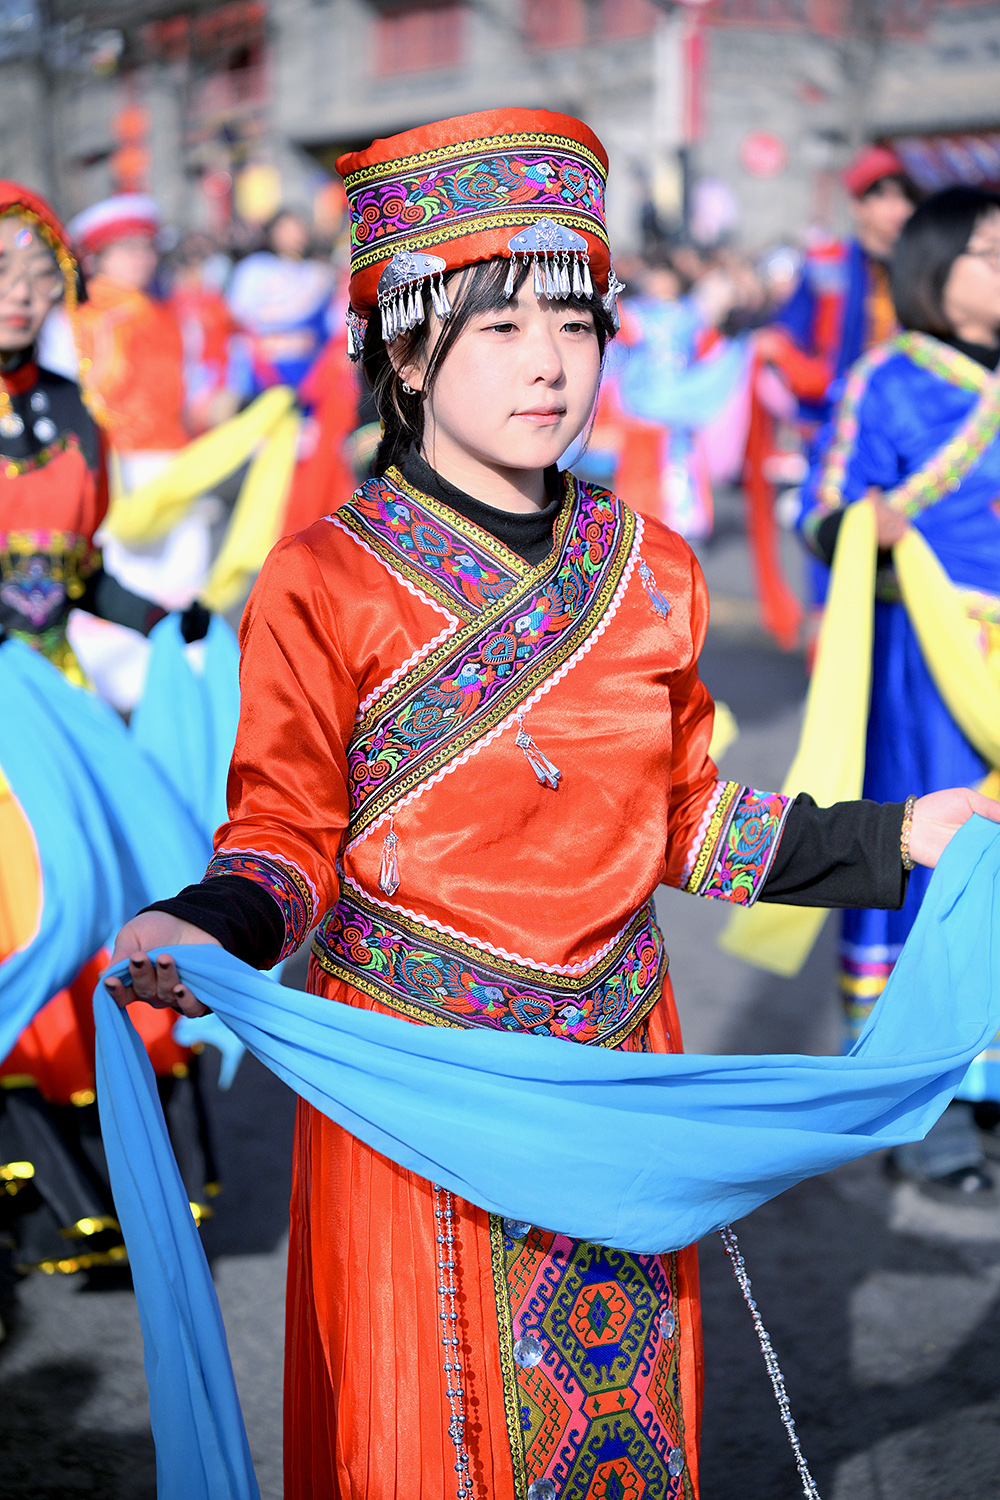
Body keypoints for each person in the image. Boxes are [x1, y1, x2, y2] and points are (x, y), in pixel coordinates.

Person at [105, 111, 995, 1499]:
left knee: (615, 1430)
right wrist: (216, 921)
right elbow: (286, 828)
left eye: (575, 323)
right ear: (407, 354)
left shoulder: (650, 565)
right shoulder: (323, 578)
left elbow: (685, 816)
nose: (550, 362)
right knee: (430, 1434)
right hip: (420, 1080)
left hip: (616, 1059)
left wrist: (892, 838)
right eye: (502, 326)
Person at [0, 181, 212, 1297]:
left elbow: (76, 575)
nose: (20, 292)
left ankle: (106, 1192)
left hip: (64, 701)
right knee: (31, 914)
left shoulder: (73, 414)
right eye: (0, 271)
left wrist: (168, 618)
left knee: (124, 891)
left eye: (38, 274)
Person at [798, 185, 1000, 1191]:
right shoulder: (887, 379)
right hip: (930, 666)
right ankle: (931, 1102)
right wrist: (860, 526)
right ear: (933, 267)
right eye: (990, 252)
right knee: (942, 856)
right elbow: (821, 507)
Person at [226, 208, 335, 397]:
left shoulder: (318, 274)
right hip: (261, 367)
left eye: (298, 229)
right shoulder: (253, 268)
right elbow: (238, 313)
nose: (294, 236)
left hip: (306, 367)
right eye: (287, 230)